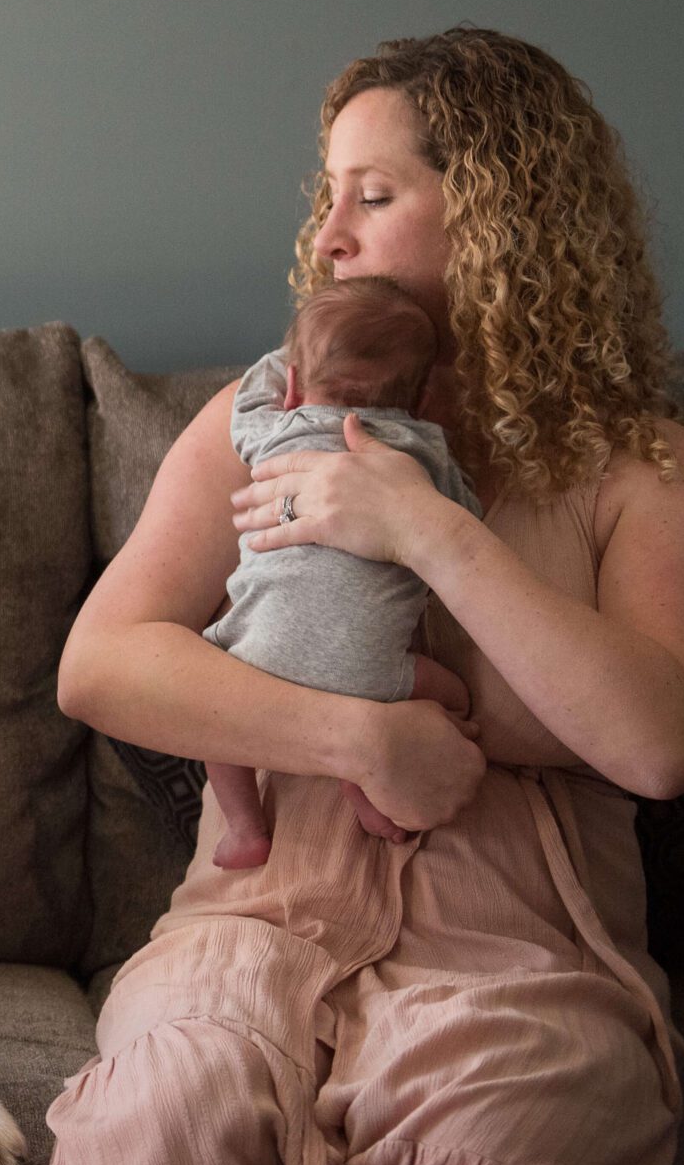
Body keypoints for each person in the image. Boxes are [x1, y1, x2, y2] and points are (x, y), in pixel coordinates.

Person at [7, 27, 684, 1165]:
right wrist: (361, 736)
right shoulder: (263, 412)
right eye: (327, 194)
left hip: (512, 949)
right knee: (150, 1131)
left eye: (375, 194)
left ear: (506, 215)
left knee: (530, 1124)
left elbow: (663, 740)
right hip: (262, 917)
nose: (327, 234)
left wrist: (423, 525)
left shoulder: (648, 471)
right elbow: (101, 664)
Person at [201, 275, 482, 870]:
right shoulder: (423, 452)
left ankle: (246, 828)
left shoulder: (276, 431)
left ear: (295, 385)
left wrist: (293, 359)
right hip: (369, 671)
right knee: (449, 694)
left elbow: (248, 401)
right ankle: (378, 803)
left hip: (251, 657)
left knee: (214, 737)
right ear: (422, 397)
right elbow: (468, 518)